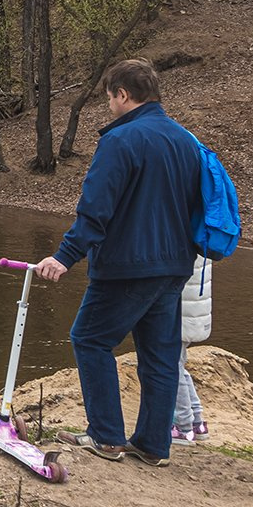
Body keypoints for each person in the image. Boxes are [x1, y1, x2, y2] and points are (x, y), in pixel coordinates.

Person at [33, 59, 204, 467]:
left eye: (109, 97)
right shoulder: (186, 141)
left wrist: (65, 256)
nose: (109, 105)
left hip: (129, 264)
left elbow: (96, 209)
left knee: (90, 338)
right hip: (176, 265)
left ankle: (106, 437)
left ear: (123, 94)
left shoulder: (121, 140)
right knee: (160, 356)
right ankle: (152, 446)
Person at [173, 257, 212, 443]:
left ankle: (183, 426)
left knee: (172, 365)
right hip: (194, 307)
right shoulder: (201, 232)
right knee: (177, 362)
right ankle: (197, 421)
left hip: (182, 306)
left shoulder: (183, 229)